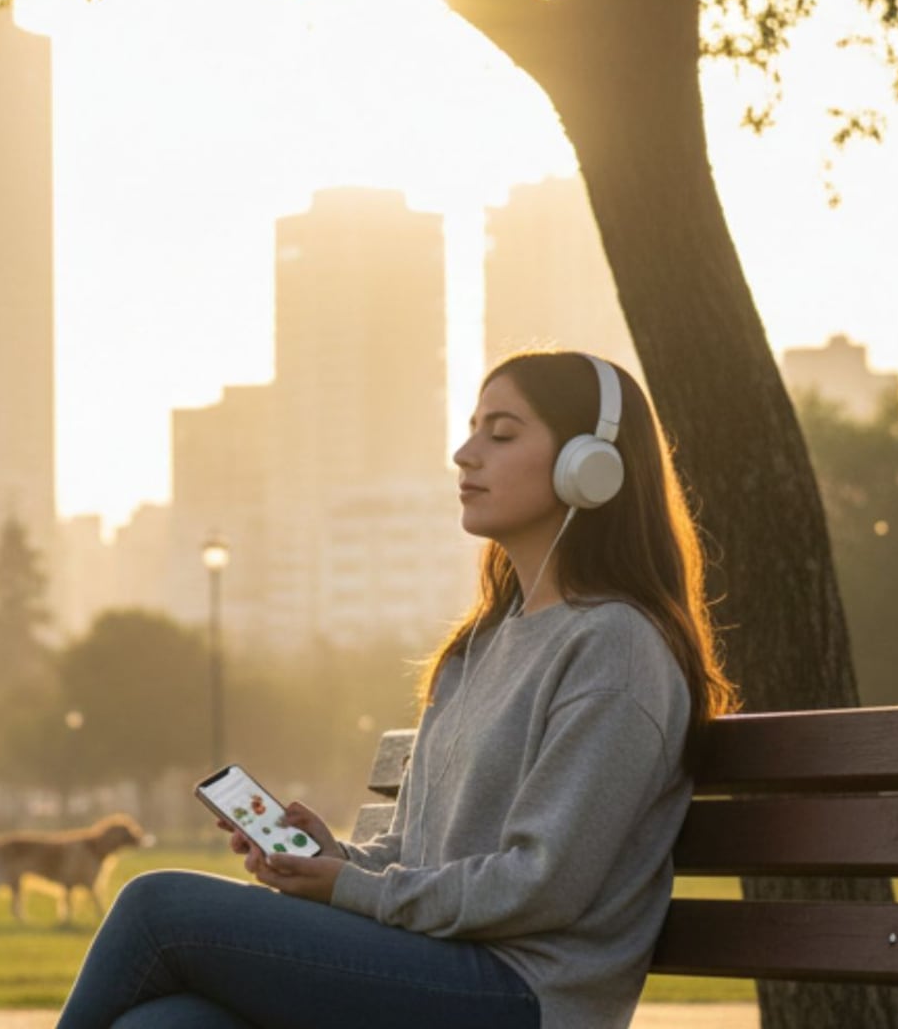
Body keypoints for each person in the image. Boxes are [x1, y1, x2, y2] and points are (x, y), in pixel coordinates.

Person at [57, 349, 737, 1029]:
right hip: (434, 965)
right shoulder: (481, 646)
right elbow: (417, 854)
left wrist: (350, 890)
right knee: (170, 1024)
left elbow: (541, 887)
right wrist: (335, 859)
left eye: (501, 434)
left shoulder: (616, 648)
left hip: (524, 995)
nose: (465, 455)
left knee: (157, 910)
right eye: (472, 429)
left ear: (590, 467)